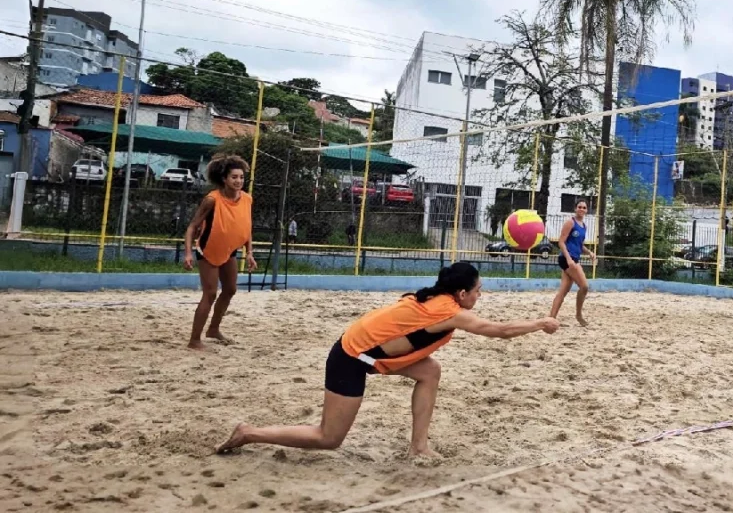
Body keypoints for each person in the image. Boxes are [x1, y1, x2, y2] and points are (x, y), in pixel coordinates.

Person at [214, 262, 559, 457]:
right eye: (478, 290)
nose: (481, 295)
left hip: (368, 354)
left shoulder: (435, 299)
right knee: (329, 438)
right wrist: (539, 323)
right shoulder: (449, 311)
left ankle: (418, 448)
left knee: (430, 371)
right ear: (461, 293)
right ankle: (250, 433)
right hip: (350, 358)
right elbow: (499, 331)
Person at [183, 154, 257, 350]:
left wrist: (249, 252)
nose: (238, 181)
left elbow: (246, 227)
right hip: (207, 249)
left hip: (229, 250)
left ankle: (213, 329)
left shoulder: (247, 199)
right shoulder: (212, 200)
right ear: (224, 179)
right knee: (210, 293)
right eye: (234, 177)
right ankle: (194, 340)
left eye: (241, 177)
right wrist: (188, 253)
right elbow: (192, 227)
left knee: (231, 289)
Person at [549, 200, 596, 327]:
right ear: (575, 209)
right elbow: (561, 242)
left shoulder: (584, 226)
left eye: (584, 207)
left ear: (586, 210)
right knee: (584, 286)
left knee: (563, 291)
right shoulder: (570, 222)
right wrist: (569, 259)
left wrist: (589, 252)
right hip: (567, 259)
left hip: (573, 259)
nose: (581, 209)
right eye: (579, 207)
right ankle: (579, 315)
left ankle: (551, 319)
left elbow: (579, 245)